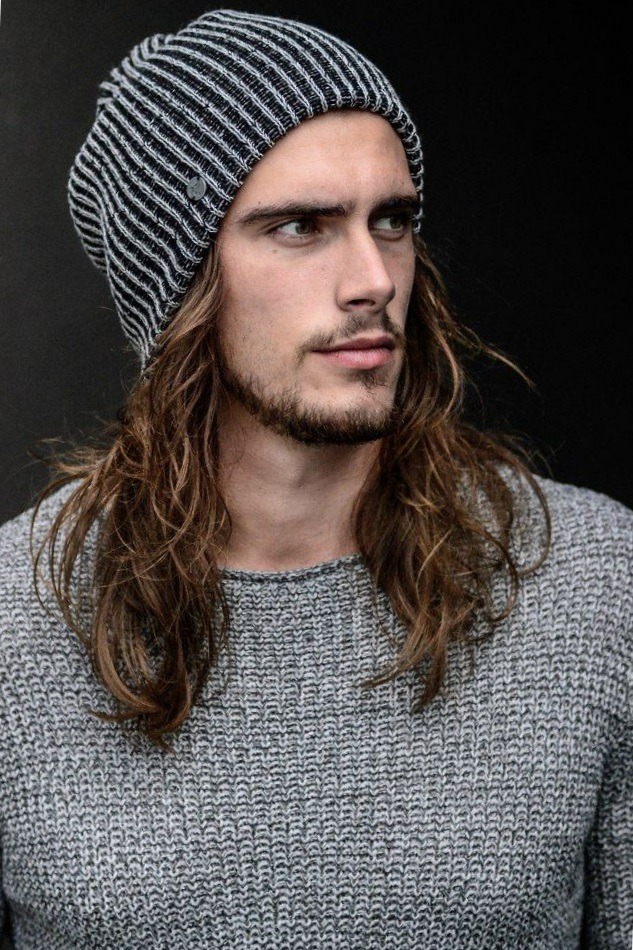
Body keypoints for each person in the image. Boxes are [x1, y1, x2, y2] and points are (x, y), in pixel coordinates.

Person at [0, 8, 631, 948]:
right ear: (178, 284)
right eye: (300, 226)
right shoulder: (16, 620)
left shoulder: (594, 582)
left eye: (392, 221)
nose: (372, 278)